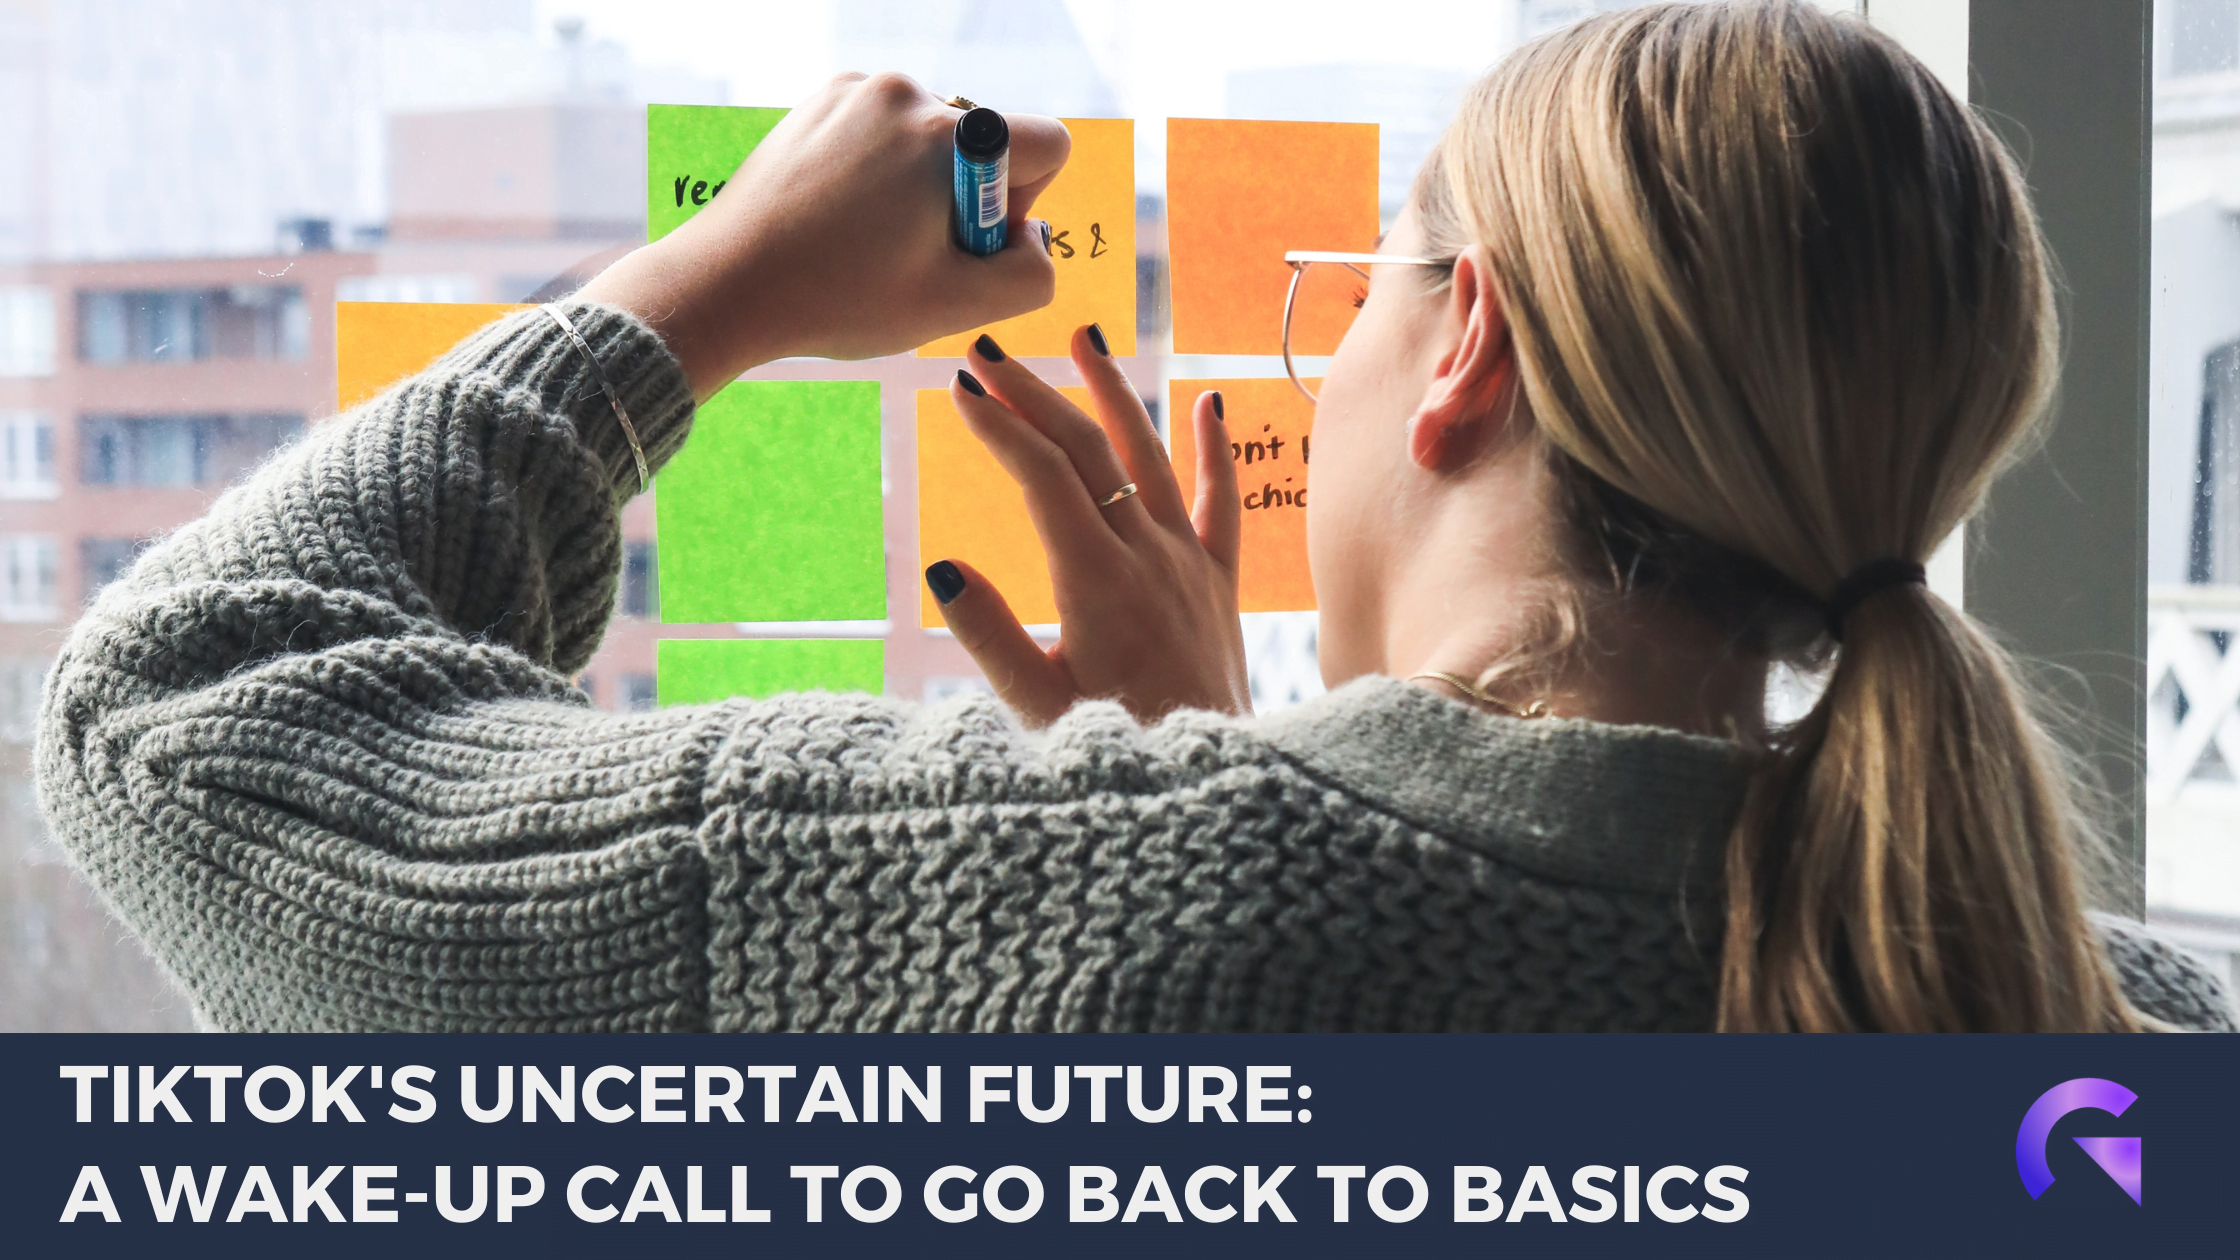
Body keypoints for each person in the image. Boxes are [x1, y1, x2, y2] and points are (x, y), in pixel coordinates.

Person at [37, 0, 2233, 1032]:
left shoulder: (1057, 905)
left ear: (1462, 353)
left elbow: (190, 713)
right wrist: (1218, 766)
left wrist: (724, 283)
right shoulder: (2104, 1038)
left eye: (1367, 281)